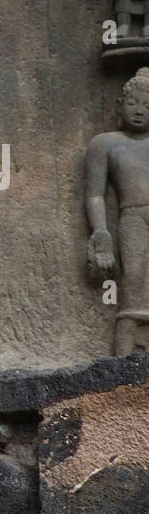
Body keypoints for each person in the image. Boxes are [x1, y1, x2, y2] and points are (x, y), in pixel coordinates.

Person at [86, 67, 149, 354]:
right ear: (119, 106)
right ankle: (123, 362)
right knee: (132, 286)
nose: (140, 110)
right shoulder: (106, 144)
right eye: (133, 103)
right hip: (133, 217)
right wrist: (101, 235)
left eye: (148, 105)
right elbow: (95, 195)